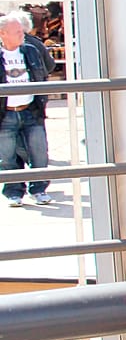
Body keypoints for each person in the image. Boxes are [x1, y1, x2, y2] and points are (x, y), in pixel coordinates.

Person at [1, 11, 53, 206]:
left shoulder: (31, 50)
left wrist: (41, 103)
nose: (22, 34)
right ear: (3, 33)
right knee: (7, 156)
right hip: (5, 113)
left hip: (31, 110)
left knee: (39, 152)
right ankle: (14, 192)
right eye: (16, 32)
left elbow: (45, 70)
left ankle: (39, 189)